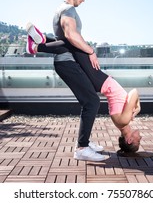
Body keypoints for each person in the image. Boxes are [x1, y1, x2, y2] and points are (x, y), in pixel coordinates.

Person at [26, 25, 142, 153]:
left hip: (100, 81)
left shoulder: (123, 121)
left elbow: (134, 92)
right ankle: (42, 39)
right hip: (100, 80)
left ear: (129, 140)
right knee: (74, 45)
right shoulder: (123, 122)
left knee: (75, 44)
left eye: (138, 140)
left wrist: (137, 108)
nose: (140, 137)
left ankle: (36, 47)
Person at [26, 0, 107, 162]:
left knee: (89, 101)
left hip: (67, 62)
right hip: (67, 63)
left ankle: (84, 141)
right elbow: (71, 36)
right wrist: (91, 51)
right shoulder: (68, 10)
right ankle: (82, 148)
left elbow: (65, 39)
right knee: (92, 102)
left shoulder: (61, 9)